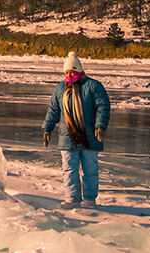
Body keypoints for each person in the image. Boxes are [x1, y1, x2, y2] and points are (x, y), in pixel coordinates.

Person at [42, 52, 110, 208]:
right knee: (69, 168)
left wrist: (100, 126)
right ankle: (72, 199)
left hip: (90, 136)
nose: (68, 74)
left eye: (71, 71)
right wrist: (47, 128)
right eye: (66, 72)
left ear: (79, 70)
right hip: (67, 136)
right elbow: (53, 110)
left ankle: (90, 199)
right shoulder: (60, 89)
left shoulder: (93, 86)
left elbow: (103, 107)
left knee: (90, 169)